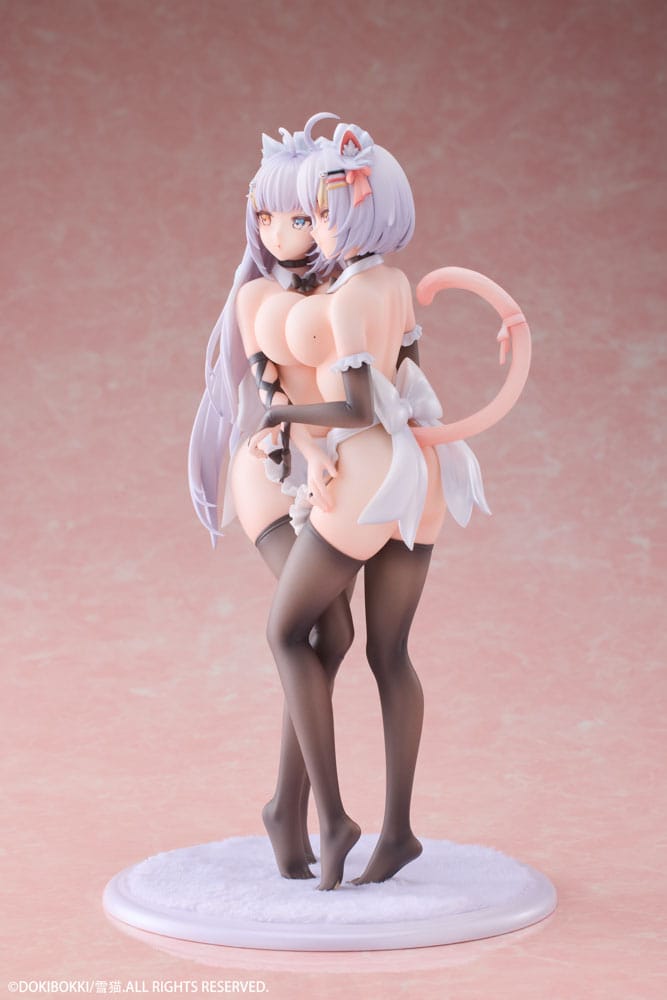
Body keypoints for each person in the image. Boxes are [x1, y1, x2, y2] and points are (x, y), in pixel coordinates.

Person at [248, 116, 495, 889]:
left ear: (358, 215)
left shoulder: (353, 295)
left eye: (323, 213)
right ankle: (398, 833)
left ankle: (333, 818)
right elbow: (407, 372)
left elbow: (357, 407)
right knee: (389, 654)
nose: (314, 226)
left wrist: (284, 416)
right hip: (419, 470)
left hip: (369, 473)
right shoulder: (391, 285)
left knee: (287, 631)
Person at [188, 120, 353, 880]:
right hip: (274, 472)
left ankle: (286, 809)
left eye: (299, 215)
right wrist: (314, 454)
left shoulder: (348, 290)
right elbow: (274, 398)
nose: (278, 231)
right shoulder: (258, 295)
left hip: (332, 476)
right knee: (320, 626)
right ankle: (324, 815)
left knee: (333, 636)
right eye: (266, 215)